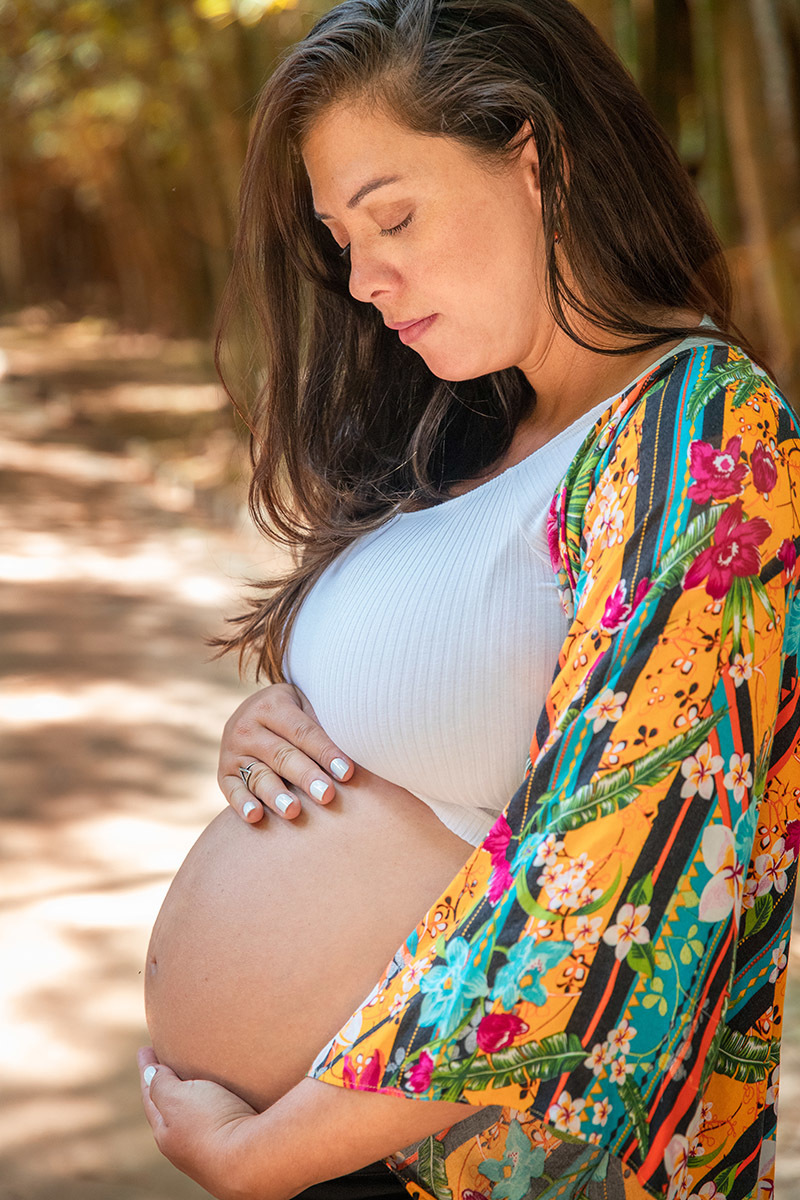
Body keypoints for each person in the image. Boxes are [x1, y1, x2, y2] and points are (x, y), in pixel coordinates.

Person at [138, 1, 800, 1197]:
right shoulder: (473, 425)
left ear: (531, 156)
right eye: (340, 235)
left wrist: (257, 1155)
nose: (361, 277)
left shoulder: (704, 439)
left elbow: (614, 889)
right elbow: (440, 739)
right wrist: (275, 733)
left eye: (392, 215)